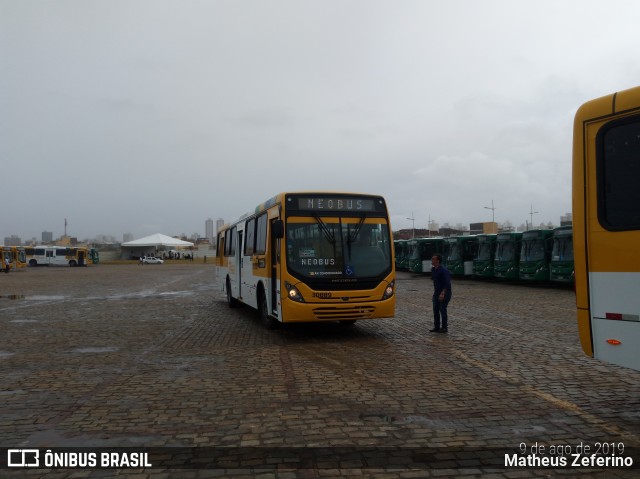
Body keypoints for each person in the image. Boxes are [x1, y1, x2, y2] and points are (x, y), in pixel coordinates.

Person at [429, 253, 452, 333]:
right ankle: (437, 327)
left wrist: (443, 293)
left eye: (433, 259)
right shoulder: (433, 269)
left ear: (437, 260)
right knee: (435, 310)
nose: (432, 260)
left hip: (445, 292)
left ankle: (444, 327)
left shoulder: (444, 270)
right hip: (437, 293)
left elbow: (447, 283)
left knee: (442, 309)